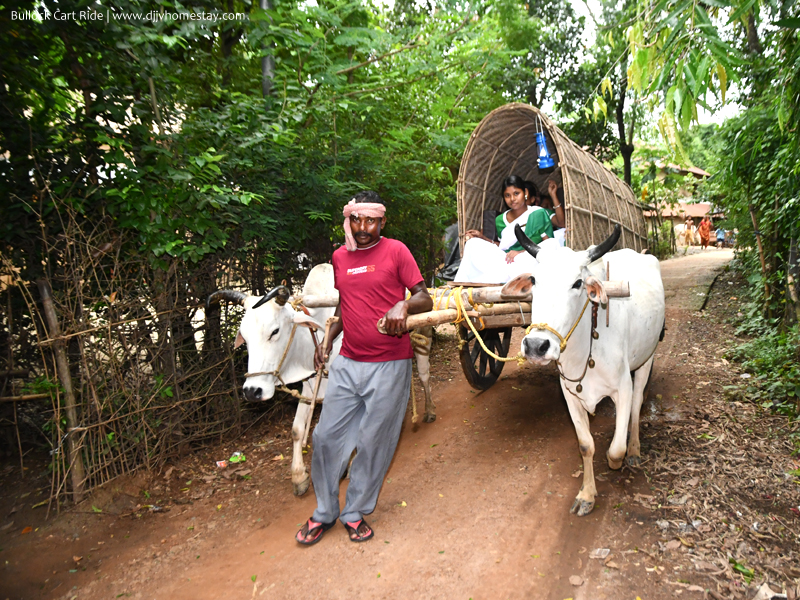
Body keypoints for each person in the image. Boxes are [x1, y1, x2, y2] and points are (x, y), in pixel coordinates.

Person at [295, 190, 433, 546]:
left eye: (371, 220)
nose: (363, 227)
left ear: (382, 221)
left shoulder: (396, 251)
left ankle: (354, 510)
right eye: (356, 220)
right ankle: (325, 510)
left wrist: (404, 305)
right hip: (349, 361)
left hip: (389, 364)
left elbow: (424, 296)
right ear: (349, 220)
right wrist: (329, 337)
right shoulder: (340, 257)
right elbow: (347, 304)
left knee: (374, 441)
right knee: (325, 438)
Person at [454, 175, 554, 283]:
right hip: (506, 259)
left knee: (538, 253)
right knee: (472, 243)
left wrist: (520, 252)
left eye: (516, 193)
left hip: (528, 259)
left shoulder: (538, 213)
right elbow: (502, 248)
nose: (512, 199)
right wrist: (482, 237)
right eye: (507, 195)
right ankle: (467, 283)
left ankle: (503, 278)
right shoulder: (500, 220)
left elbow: (548, 244)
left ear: (525, 193)